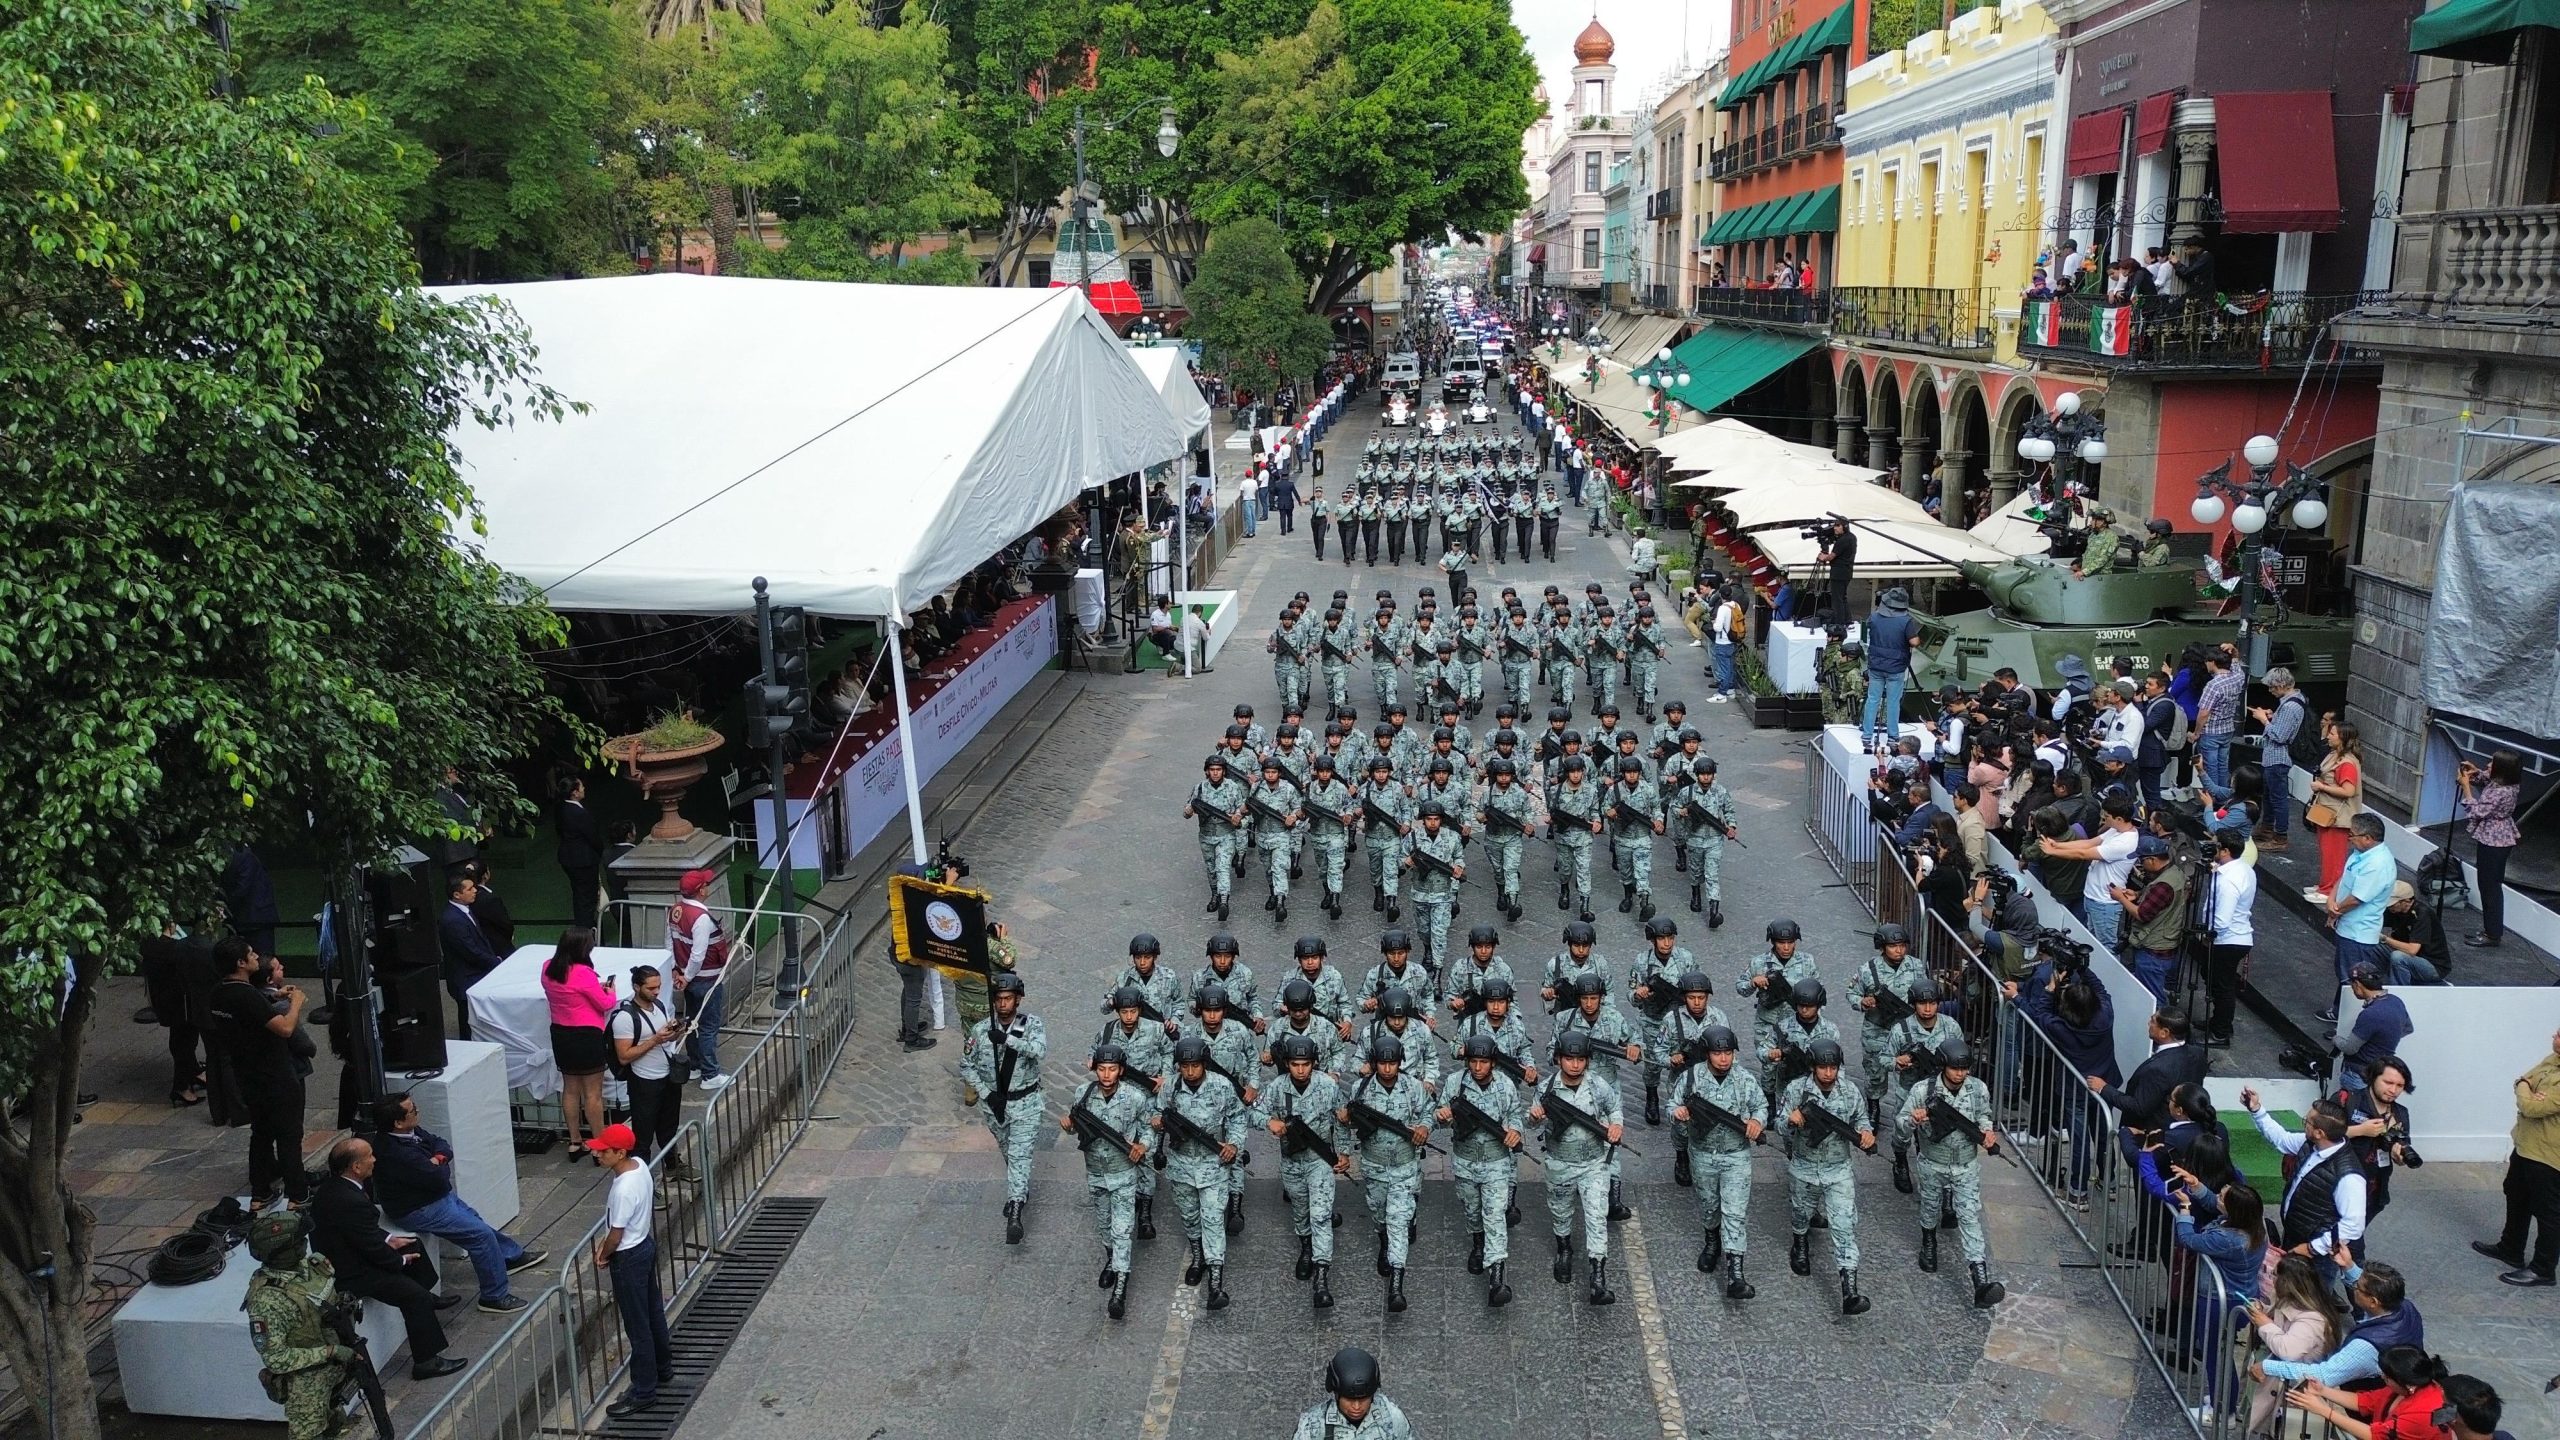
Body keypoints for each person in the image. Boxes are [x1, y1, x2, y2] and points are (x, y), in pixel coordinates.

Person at [370, 1092, 547, 1316]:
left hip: (434, 1197)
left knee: (474, 1221)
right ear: (397, 1122)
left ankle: (509, 1256)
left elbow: (440, 1144)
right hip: (419, 1208)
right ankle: (494, 1296)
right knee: (479, 1235)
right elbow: (438, 1177)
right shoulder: (396, 1152)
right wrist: (437, 1162)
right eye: (413, 1110)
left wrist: (437, 1159)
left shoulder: (409, 1133)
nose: (418, 1111)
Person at [311, 1137, 467, 1381]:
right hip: (351, 1271)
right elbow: (370, 1247)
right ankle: (426, 1361)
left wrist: (388, 1240)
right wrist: (399, 1262)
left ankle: (428, 1296)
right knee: (413, 1297)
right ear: (356, 1167)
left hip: (353, 1251)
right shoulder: (350, 1200)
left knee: (410, 1243)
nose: (374, 1160)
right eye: (369, 1157)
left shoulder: (337, 1189)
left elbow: (360, 1231)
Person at [1907, 1040, 2009, 1308]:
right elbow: (1901, 1122)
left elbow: (1984, 1115)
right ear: (1943, 1065)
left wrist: (1987, 1132)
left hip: (1965, 1165)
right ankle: (1928, 1243)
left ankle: (1980, 1277)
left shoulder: (1977, 1089)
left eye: (1964, 1068)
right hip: (1933, 1161)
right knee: (1929, 1206)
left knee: (1969, 1216)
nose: (1960, 1073)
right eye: (1955, 1068)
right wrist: (1913, 1119)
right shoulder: (1923, 1090)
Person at [1782, 1036, 1875, 1314]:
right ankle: (1799, 1242)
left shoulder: (1849, 1091)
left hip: (1838, 1170)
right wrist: (1791, 1119)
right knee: (1801, 1214)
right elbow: (1778, 1122)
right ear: (1813, 1067)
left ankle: (1850, 1290)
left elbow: (1861, 1119)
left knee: (1844, 1226)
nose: (1827, 1072)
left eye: (1833, 1067)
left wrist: (1867, 1133)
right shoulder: (1796, 1090)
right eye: (1822, 1067)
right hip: (1805, 1166)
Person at [584, 1124, 671, 1420]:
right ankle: (663, 1367)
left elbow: (616, 1235)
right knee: (652, 1311)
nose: (597, 1154)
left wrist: (603, 1254)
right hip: (644, 1246)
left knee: (637, 1326)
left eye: (603, 1151)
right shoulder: (640, 1166)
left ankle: (644, 1391)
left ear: (620, 1153)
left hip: (628, 1256)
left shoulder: (623, 1189)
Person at [1531, 1031, 1625, 1306]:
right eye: (1569, 1059)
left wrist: (1616, 1125)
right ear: (1559, 1059)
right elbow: (1532, 1120)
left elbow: (1614, 1107)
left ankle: (1598, 1277)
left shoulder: (1598, 1085)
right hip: (1560, 1162)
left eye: (1580, 1059)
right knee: (1561, 1213)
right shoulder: (1547, 1088)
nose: (1574, 1065)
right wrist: (1534, 1116)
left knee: (1597, 1217)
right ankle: (1564, 1249)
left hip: (1594, 1163)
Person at [1065, 1042, 1157, 1320]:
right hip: (1095, 1170)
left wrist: (1143, 1146)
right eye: (1102, 1069)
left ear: (1121, 1071)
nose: (1106, 1075)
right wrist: (1068, 1125)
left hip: (1123, 1173)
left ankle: (1121, 1285)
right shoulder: (1084, 1094)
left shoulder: (1134, 1097)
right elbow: (1075, 1125)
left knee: (1121, 1229)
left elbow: (1148, 1129)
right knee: (1104, 1224)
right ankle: (1112, 1260)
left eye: (1112, 1069)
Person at [242, 1210, 352, 1440]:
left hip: (337, 1367)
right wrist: (330, 1352)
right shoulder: (267, 1301)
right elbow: (276, 1358)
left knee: (336, 1426)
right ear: (281, 1252)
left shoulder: (311, 1266)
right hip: (306, 1385)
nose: (305, 1244)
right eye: (298, 1242)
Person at [959, 972, 1045, 1245]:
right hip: (995, 1106)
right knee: (1009, 1153)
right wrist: (985, 1093)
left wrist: (1008, 1041)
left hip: (1026, 1103)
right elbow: (966, 1065)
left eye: (1008, 999)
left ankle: (1015, 1213)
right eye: (999, 999)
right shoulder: (980, 1030)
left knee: (1020, 1156)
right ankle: (1019, 1189)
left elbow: (1039, 1051)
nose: (1003, 1004)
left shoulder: (1031, 1025)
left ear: (1018, 999)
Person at [2472, 1024, 2560, 1287]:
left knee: (2548, 1212)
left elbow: (2531, 1106)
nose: (2554, 1036)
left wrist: (2525, 1089)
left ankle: (2543, 1269)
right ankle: (2511, 1249)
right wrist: (2525, 1085)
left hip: (2548, 1154)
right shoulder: (2552, 1060)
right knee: (2515, 1193)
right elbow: (2523, 1079)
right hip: (2526, 1145)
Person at [2242, 1090, 2367, 1259]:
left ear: (2319, 1133)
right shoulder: (2309, 1143)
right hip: (2295, 1234)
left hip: (2317, 1254)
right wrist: (2257, 1110)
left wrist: (2312, 1248)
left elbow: (2353, 1225)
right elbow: (2281, 1138)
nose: (2304, 1124)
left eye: (2306, 1121)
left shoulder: (2349, 1177)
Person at [607, 965, 691, 1180]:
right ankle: (641, 1181)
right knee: (642, 1137)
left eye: (659, 987)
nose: (656, 992)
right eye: (651, 988)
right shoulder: (625, 1018)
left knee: (669, 1128)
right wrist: (655, 1040)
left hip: (667, 1077)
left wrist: (675, 1032)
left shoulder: (660, 1006)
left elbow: (665, 1039)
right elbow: (624, 1056)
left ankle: (672, 1166)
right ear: (637, 987)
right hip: (644, 1083)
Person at [539, 929, 614, 1161]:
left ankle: (574, 1141)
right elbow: (605, 1003)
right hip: (586, 1035)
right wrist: (610, 989)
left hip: (561, 1034)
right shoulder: (584, 974)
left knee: (570, 1089)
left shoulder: (548, 968)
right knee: (593, 1094)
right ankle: (599, 1143)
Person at [2283, 1345, 2451, 1440]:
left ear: (2406, 1383)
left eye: (2386, 1377)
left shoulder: (2423, 1412)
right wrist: (2323, 1390)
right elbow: (2367, 1401)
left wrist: (2324, 1411)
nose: (2382, 1378)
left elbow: (2375, 1435)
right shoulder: (2407, 1388)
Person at [667, 868, 733, 1090]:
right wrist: (686, 976)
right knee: (707, 1026)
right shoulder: (701, 918)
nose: (708, 886)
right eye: (705, 884)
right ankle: (710, 1073)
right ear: (701, 891)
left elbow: (670, 941)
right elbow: (698, 954)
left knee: (692, 1023)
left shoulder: (675, 910)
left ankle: (694, 1066)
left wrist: (676, 971)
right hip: (705, 979)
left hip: (689, 978)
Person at [2329, 816, 2397, 1010]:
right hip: (2348, 925)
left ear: (2367, 838)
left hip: (2359, 932)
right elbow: (2345, 878)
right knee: (2344, 973)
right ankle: (2337, 1011)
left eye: (2352, 834)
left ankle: (2347, 1020)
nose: (2349, 838)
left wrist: (2336, 912)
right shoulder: (2360, 853)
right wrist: (2332, 902)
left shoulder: (2377, 864)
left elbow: (2357, 898)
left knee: (2354, 979)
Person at [2456, 749, 2522, 948]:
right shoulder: (2506, 782)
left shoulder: (2501, 791)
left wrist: (2466, 786)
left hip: (2494, 841)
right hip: (2498, 838)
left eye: (2492, 763)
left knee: (2489, 886)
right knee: (2489, 885)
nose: (2487, 766)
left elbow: (2477, 811)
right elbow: (2486, 780)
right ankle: (2490, 930)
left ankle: (2492, 934)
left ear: (2501, 768)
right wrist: (2475, 772)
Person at [436, 868, 505, 1043]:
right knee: (468, 1020)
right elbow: (469, 950)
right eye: (469, 889)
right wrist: (495, 962)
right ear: (457, 895)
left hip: (473, 974)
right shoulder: (452, 920)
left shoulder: (464, 911)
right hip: (465, 978)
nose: (475, 891)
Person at [2203, 829, 2255, 1048]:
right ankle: (2217, 1021)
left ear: (2224, 851)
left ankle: (2221, 1032)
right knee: (2215, 980)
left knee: (2223, 988)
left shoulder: (2228, 880)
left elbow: (2222, 919)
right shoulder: (2242, 869)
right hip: (2235, 937)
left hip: (2227, 938)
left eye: (2214, 845)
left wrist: (2207, 934)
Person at [1294, 1346, 1414, 1440]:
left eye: (1363, 1400)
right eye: (1349, 1400)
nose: (1356, 1407)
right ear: (1337, 1395)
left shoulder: (1392, 1418)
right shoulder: (1312, 1425)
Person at [1860, 587, 1922, 742]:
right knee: (1893, 702)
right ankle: (1893, 736)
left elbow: (1868, 629)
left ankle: (1867, 735)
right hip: (1896, 667)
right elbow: (1914, 642)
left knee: (1872, 699)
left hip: (1875, 665)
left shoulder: (1874, 617)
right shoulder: (1906, 620)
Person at [553, 779, 603, 932]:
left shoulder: (561, 809)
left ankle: (584, 926)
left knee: (579, 894)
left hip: (568, 857)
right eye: (581, 786)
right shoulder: (579, 813)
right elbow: (592, 836)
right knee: (587, 897)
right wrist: (599, 851)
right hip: (583, 860)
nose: (583, 788)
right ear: (574, 792)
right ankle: (586, 930)